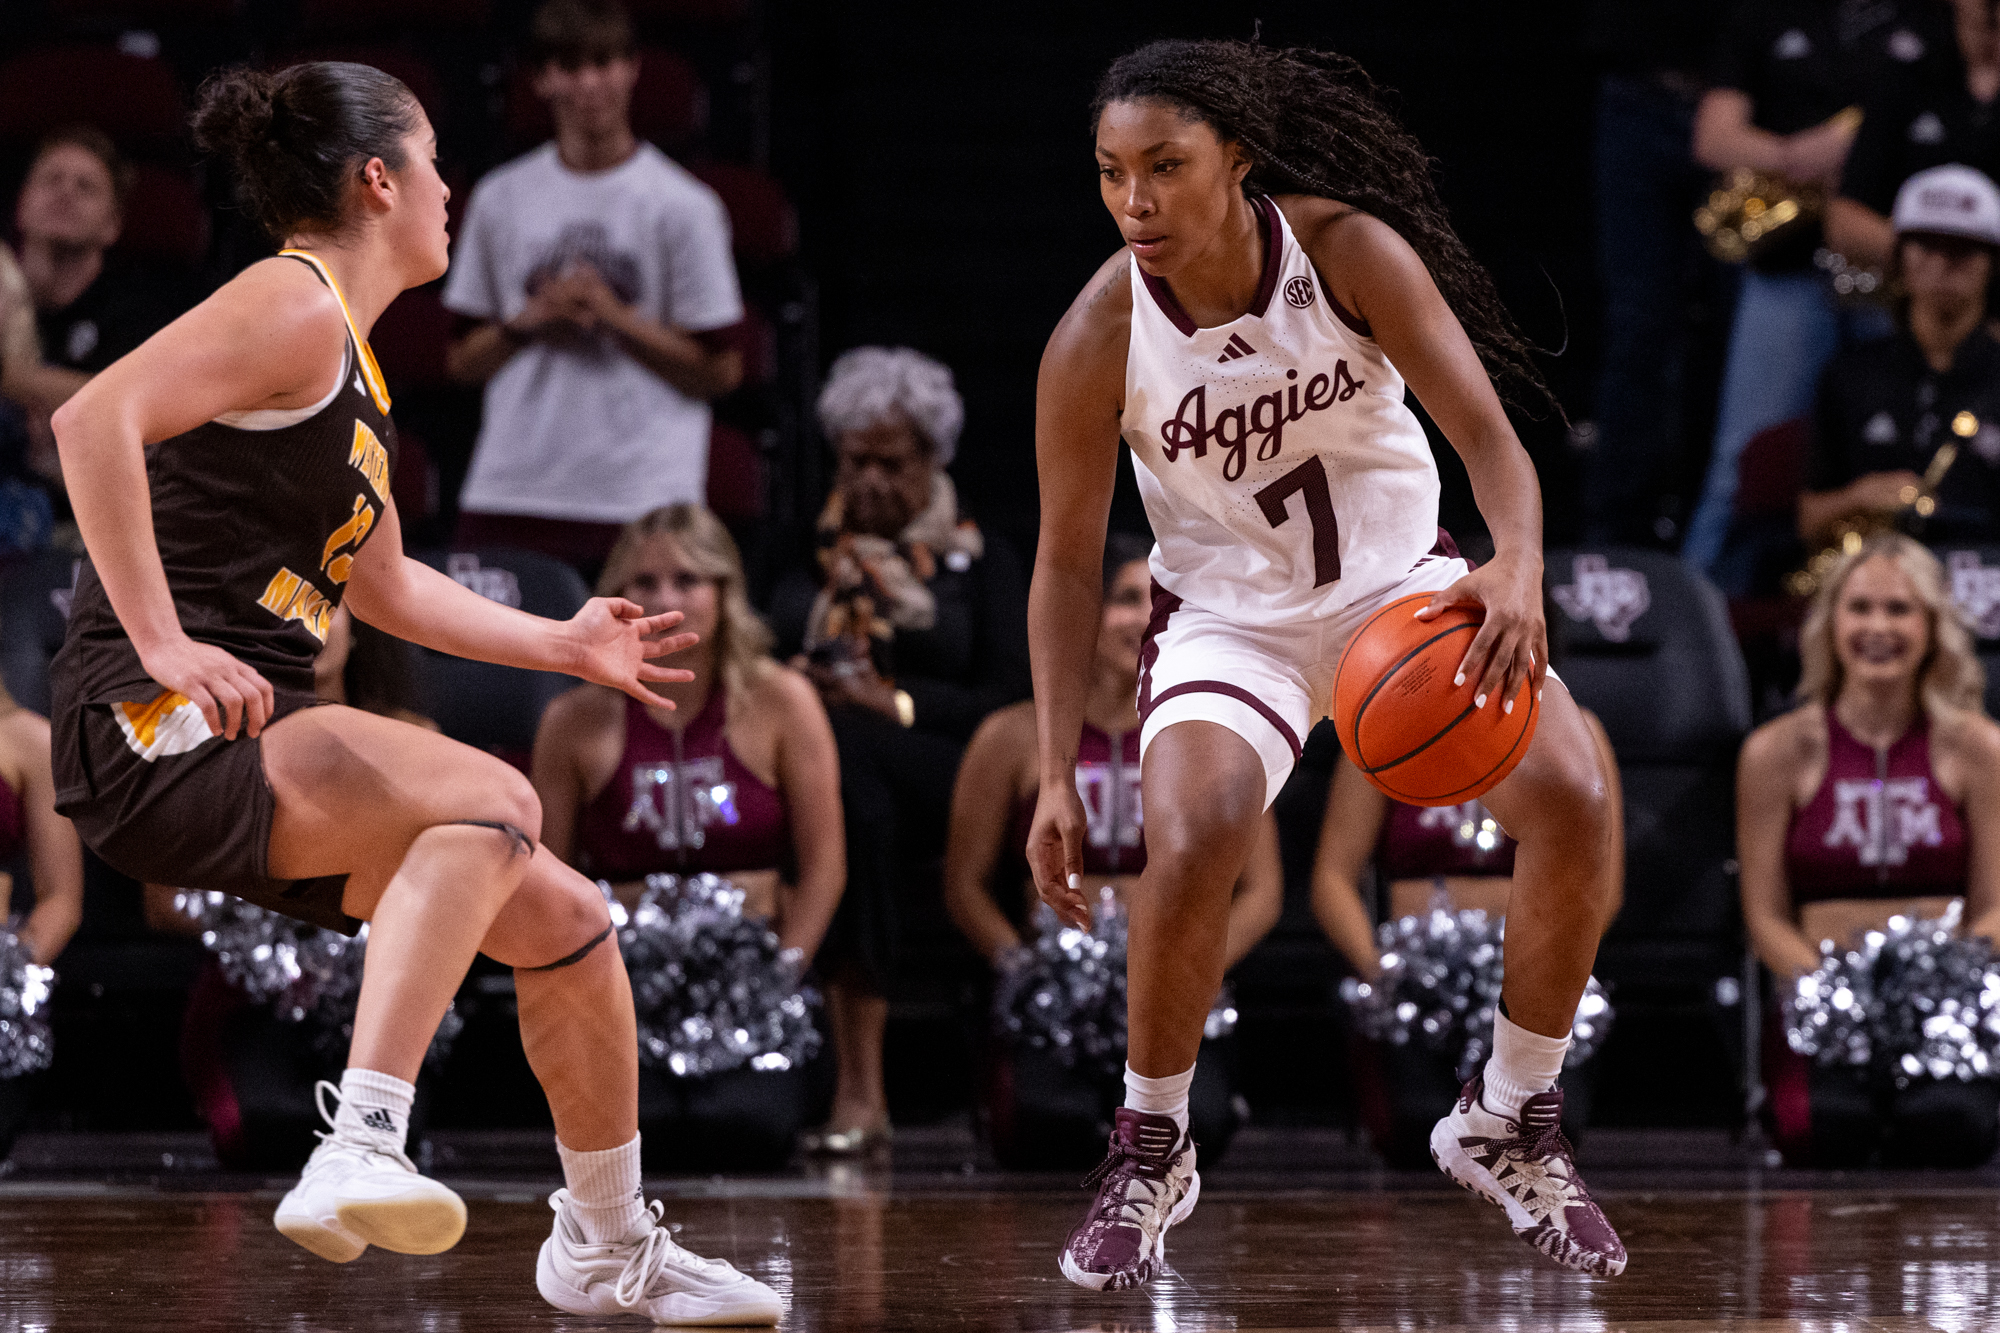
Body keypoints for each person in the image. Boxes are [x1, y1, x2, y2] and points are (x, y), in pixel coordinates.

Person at [48, 61, 782, 1324]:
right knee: (497, 801)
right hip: (155, 717)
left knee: (567, 923)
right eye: (434, 160)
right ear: (377, 179)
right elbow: (91, 419)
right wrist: (162, 640)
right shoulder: (291, 301)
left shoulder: (355, 367)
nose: (452, 188)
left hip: (242, 726)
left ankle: (607, 1242)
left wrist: (564, 643)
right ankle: (363, 1137)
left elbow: (382, 586)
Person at [1029, 39, 1626, 1288]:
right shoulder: (1096, 334)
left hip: (1398, 593)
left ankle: (1510, 1115)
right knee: (1192, 831)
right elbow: (1064, 569)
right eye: (1108, 174)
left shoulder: (1346, 254)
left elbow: (1488, 439)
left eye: (1163, 168)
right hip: (1226, 620)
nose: (1134, 201)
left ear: (1236, 162)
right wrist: (1049, 774)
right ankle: (1150, 1146)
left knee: (1574, 792)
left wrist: (1514, 562)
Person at [767, 345, 1030, 1155]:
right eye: (856, 462)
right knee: (851, 782)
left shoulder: (981, 561)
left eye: (892, 462)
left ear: (933, 459)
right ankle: (854, 1086)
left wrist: (901, 703)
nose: (871, 480)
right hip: (835, 787)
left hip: (956, 779)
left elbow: (1014, 704)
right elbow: (748, 659)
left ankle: (860, 1089)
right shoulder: (799, 553)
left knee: (855, 757)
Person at [944, 533, 1280, 1167]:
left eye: (1162, 600)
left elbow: (1263, 889)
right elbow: (964, 883)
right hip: (1056, 994)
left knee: (1199, 1128)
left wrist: (1193, 971)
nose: (1145, 615)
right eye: (1126, 599)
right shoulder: (1012, 735)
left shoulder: (1223, 737)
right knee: (1049, 1130)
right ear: (1087, 612)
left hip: (1178, 986)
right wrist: (1027, 971)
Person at [533, 503, 843, 1169]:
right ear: (617, 597)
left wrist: (777, 978)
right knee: (645, 1137)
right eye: (643, 582)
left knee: (745, 1129)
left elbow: (823, 869)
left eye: (688, 579)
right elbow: (548, 877)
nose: (665, 598)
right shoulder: (572, 719)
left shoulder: (783, 700)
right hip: (627, 982)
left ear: (725, 592)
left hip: (751, 974)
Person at [443, 0, 744, 575]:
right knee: (490, 666)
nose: (588, 84)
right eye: (569, 67)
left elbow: (721, 370)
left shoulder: (684, 206)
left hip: (642, 492)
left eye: (604, 63)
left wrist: (613, 318)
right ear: (541, 79)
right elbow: (461, 361)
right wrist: (529, 322)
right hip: (514, 486)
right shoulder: (500, 198)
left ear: (632, 68)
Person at [1737, 533, 2000, 1166]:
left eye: (1899, 609)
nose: (1877, 627)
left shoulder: (1981, 748)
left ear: (1934, 627)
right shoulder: (1775, 752)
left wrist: (1947, 988)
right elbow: (1764, 917)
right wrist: (1828, 994)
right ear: (1829, 625)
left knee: (1953, 1129)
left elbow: (1995, 906)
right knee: (1821, 1131)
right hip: (1821, 1000)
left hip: (1944, 1006)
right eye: (1859, 608)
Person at [1312, 694, 1624, 1167]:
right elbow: (1332, 878)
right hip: (1416, 990)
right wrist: (1384, 974)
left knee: (1539, 1135)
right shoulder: (1381, 725)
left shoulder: (1575, 727)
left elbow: (1604, 886)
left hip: (1528, 975)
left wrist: (1545, 974)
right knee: (1417, 1128)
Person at [1680, 0, 1927, 584]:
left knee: (1903, 466)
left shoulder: (1926, 21)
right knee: (1739, 462)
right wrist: (1796, 157)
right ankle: (1694, 617)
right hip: (1787, 273)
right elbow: (1713, 139)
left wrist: (1867, 154)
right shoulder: (1764, 14)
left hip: (1895, 277)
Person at [1801, 165, 2000, 551]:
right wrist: (1858, 497)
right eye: (1926, 244)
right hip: (1877, 575)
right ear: (1898, 258)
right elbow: (1807, 521)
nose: (1942, 263)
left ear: (1991, 264)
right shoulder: (1851, 373)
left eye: (1963, 249)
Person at [1831, 0, 2000, 270]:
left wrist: (1980, 262)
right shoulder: (1907, 70)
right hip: (1908, 284)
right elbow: (1845, 217)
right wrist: (1926, 256)